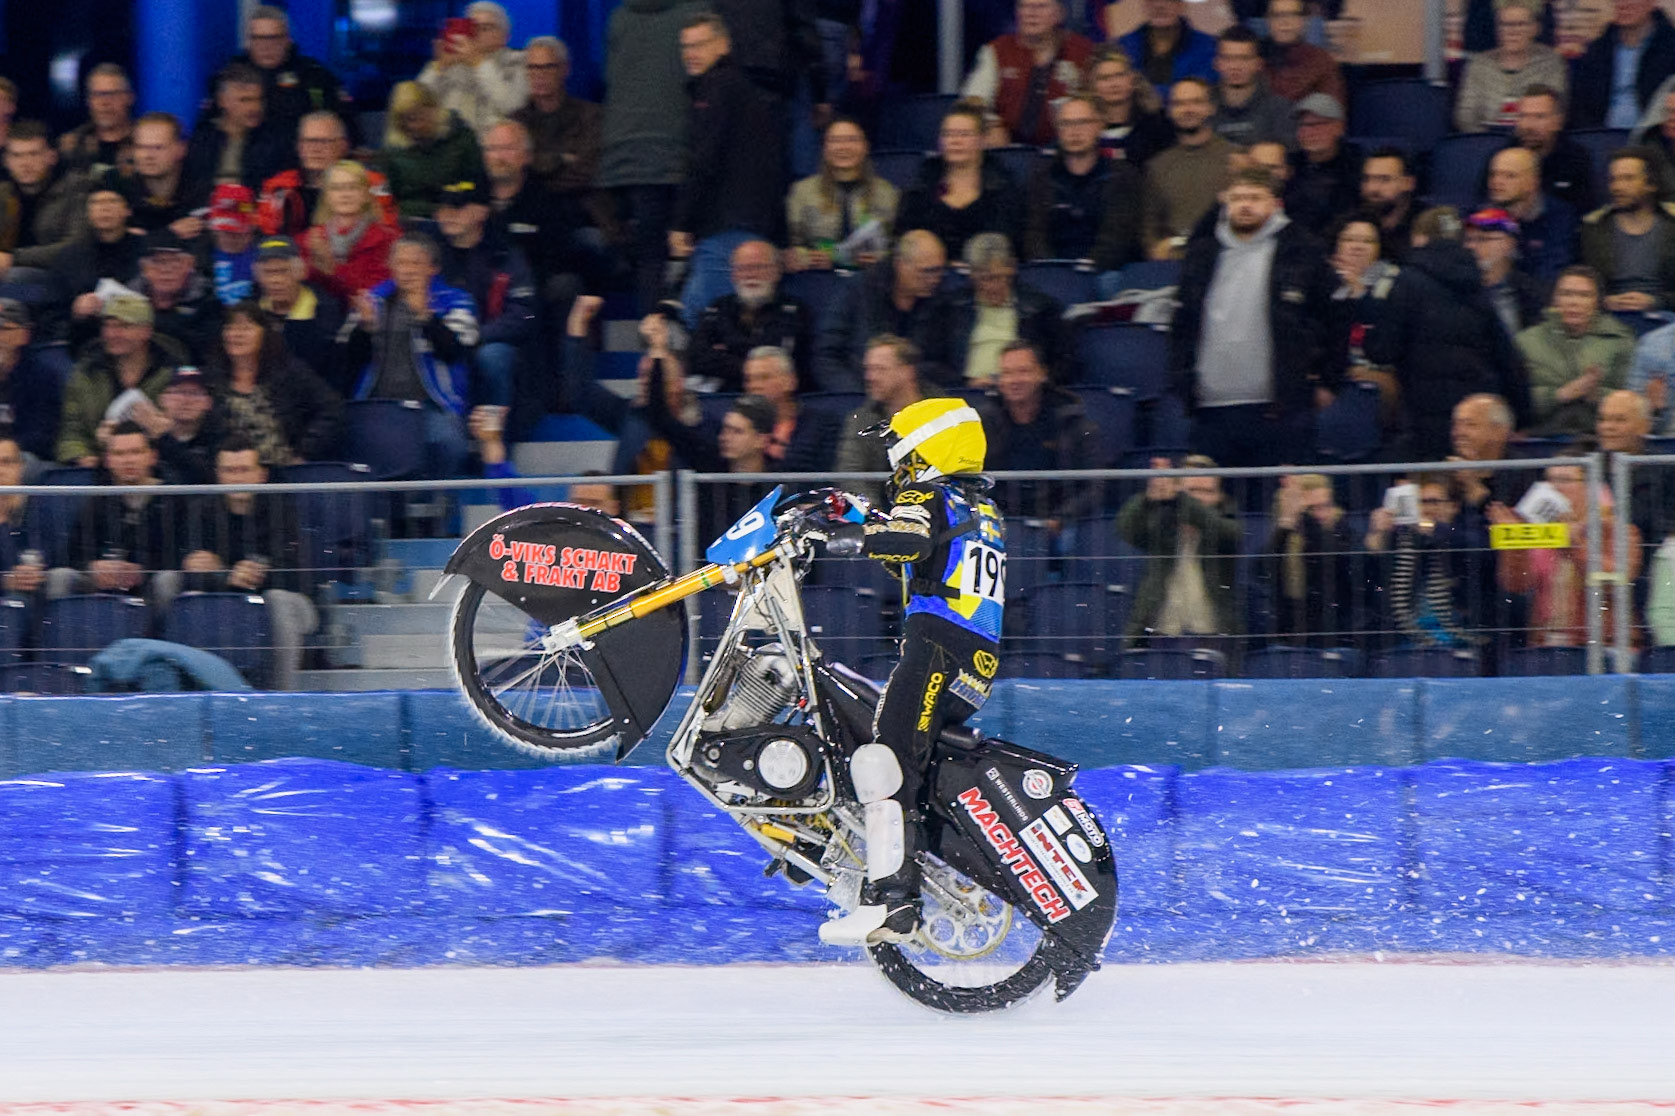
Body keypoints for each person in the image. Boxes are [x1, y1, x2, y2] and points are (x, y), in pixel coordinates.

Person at [817, 396, 1001, 946]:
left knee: (884, 762)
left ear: (925, 450)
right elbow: (927, 546)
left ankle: (893, 901)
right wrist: (860, 516)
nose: (894, 466)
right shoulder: (979, 507)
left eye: (899, 451)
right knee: (909, 769)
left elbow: (909, 539)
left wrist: (847, 538)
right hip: (973, 664)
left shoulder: (924, 493)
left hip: (934, 652)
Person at [1171, 165, 1341, 468]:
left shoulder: (1303, 250)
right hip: (1211, 410)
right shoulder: (1201, 254)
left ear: (1275, 203)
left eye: (1254, 197)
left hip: (1281, 409)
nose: (1245, 205)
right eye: (1237, 198)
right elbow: (1182, 324)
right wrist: (1183, 382)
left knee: (1278, 496)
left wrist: (1329, 379)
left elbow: (1337, 316)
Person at [1366, 208, 1532, 460]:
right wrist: (1523, 415)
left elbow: (1381, 350)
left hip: (1423, 415)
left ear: (1420, 239)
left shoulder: (1407, 282)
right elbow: (1507, 357)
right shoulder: (1477, 285)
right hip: (1474, 418)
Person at [670, 11, 788, 328]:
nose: (691, 54)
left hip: (726, 226)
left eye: (699, 45)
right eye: (685, 47)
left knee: (706, 319)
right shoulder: (742, 89)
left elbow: (703, 160)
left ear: (723, 45)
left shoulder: (717, 87)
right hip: (749, 221)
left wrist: (681, 222)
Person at [176, 435, 319, 690]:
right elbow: (191, 569)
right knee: (175, 586)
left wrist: (251, 575)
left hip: (288, 605)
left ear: (261, 475)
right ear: (218, 474)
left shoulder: (282, 509)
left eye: (244, 470)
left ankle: (280, 697)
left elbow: (296, 576)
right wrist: (228, 575)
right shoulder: (201, 510)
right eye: (229, 471)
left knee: (278, 599)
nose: (236, 478)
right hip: (229, 607)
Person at [597, 0, 707, 315]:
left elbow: (609, 76)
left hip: (627, 154)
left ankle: (652, 335)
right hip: (678, 148)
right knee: (693, 250)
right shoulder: (698, 12)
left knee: (649, 258)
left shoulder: (618, 16)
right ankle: (689, 334)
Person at [338, 234, 479, 479]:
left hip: (432, 406)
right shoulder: (372, 300)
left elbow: (457, 352)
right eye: (401, 263)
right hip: (377, 406)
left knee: (450, 444)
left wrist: (426, 317)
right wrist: (365, 329)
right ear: (391, 266)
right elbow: (346, 359)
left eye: (416, 263)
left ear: (433, 268)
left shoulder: (455, 301)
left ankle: (438, 501)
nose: (408, 270)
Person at [1489, 462, 1641, 647]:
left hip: (1603, 645)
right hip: (1548, 644)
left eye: (1564, 480)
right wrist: (1515, 544)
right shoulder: (1541, 529)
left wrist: (1573, 545)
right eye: (1549, 480)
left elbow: (1612, 581)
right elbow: (1516, 585)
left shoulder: (1616, 530)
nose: (1554, 487)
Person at [50, 421, 183, 611]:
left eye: (136, 452)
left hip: (150, 583)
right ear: (108, 460)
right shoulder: (98, 499)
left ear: (152, 457)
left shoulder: (173, 497)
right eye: (119, 454)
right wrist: (93, 567)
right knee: (60, 576)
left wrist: (143, 570)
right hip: (102, 585)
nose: (128, 460)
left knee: (167, 579)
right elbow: (71, 553)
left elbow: (182, 554)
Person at [1116, 453, 1242, 650]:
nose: (1198, 498)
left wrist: (1183, 502)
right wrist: (1148, 500)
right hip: (1160, 635)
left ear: (1220, 497)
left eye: (1207, 491)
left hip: (1212, 637)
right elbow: (1126, 530)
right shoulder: (1162, 522)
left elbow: (1227, 533)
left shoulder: (1227, 525)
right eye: (1191, 491)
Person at [434, 179, 536, 411]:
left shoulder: (505, 255)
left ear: (482, 212)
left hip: (488, 341)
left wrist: (479, 334)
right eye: (443, 208)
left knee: (493, 356)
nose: (448, 215)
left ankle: (496, 428)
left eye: (458, 207)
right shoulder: (428, 254)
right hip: (437, 338)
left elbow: (525, 315)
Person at [207, 301, 345, 467]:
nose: (236, 334)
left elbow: (331, 408)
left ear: (265, 335)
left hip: (283, 470)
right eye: (230, 328)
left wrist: (304, 452)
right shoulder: (210, 380)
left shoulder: (289, 372)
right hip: (228, 472)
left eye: (245, 328)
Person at [922, 232, 1065, 387]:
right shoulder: (949, 308)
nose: (991, 286)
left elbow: (1062, 362)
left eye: (997, 277)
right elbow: (929, 364)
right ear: (972, 276)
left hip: (1023, 390)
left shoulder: (1040, 308)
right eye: (983, 279)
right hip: (968, 391)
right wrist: (966, 382)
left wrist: (1030, 379)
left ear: (1011, 268)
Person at [976, 339, 1098, 520]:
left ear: (1042, 374)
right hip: (998, 520)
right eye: (1007, 373)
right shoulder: (983, 422)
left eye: (1023, 371)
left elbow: (1094, 486)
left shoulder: (1071, 420)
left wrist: (1060, 518)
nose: (1014, 380)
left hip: (1059, 521)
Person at [57, 294, 183, 469]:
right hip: (98, 468)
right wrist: (83, 457)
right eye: (108, 325)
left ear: (146, 331)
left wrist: (161, 433)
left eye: (124, 326)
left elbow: (186, 436)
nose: (112, 334)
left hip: (159, 468)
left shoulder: (174, 376)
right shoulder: (86, 373)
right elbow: (72, 430)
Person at [815, 229, 948, 392]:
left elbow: (945, 366)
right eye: (927, 271)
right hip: (859, 394)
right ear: (900, 264)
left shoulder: (941, 300)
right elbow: (826, 356)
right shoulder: (858, 291)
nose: (935, 279)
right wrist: (856, 396)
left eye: (940, 271)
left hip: (919, 398)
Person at [1363, 472, 1482, 653]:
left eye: (1433, 501)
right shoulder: (1400, 540)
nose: (1426, 509)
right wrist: (1375, 539)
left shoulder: (1467, 532)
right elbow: (1369, 587)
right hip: (1406, 643)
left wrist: (1433, 529)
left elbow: (1472, 546)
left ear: (1453, 506)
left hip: (1462, 642)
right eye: (1420, 502)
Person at [894, 100, 1024, 262]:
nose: (955, 141)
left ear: (982, 139)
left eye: (964, 134)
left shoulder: (1002, 184)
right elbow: (904, 238)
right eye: (948, 134)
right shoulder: (921, 184)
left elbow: (1011, 243)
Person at [1025, 95, 1144, 271]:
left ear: (1099, 126)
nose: (1074, 131)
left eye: (1083, 122)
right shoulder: (1041, 178)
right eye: (1066, 124)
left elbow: (1117, 239)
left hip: (1103, 272)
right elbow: (1034, 234)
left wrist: (1085, 269)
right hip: (1051, 271)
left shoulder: (1122, 176)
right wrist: (1051, 270)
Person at [1515, 265, 1635, 436]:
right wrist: (1560, 394)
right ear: (1555, 300)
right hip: (1541, 434)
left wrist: (1597, 395)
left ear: (1597, 302)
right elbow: (1516, 399)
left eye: (1584, 295)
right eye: (1566, 294)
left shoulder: (1619, 340)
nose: (1573, 302)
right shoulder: (1527, 341)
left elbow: (1631, 399)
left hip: (1600, 436)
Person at [960, 0, 1095, 147]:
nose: (1030, 13)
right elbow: (972, 103)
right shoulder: (997, 51)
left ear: (1059, 14)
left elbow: (1099, 106)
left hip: (1067, 149)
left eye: (1041, 6)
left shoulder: (1083, 52)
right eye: (1024, 6)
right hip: (1007, 151)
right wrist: (991, 124)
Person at [689, 239, 814, 393]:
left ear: (776, 271)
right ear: (733, 275)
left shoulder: (794, 311)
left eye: (758, 267)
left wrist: (725, 355)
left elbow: (788, 361)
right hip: (724, 396)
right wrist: (758, 367)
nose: (750, 274)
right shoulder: (717, 308)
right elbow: (696, 357)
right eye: (742, 268)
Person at [785, 117, 899, 271]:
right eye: (835, 140)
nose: (843, 147)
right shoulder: (801, 192)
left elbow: (899, 247)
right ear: (824, 149)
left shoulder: (888, 193)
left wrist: (882, 259)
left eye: (852, 140)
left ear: (866, 147)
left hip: (873, 276)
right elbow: (791, 246)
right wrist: (806, 257)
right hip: (818, 276)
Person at [257, 112, 396, 238]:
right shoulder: (277, 186)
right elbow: (266, 234)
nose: (315, 149)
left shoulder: (371, 183)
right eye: (308, 141)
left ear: (343, 146)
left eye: (324, 142)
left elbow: (389, 231)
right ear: (299, 147)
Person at [224, 6, 352, 142]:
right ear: (249, 41)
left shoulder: (312, 75)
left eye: (273, 38)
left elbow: (344, 123)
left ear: (287, 40)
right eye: (258, 38)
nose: (266, 46)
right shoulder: (231, 77)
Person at [1139, 78, 1234, 258]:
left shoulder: (1236, 158)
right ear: (1169, 111)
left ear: (1211, 107)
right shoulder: (1157, 166)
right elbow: (1149, 227)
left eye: (1196, 102)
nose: (1188, 109)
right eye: (1179, 104)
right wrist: (1155, 250)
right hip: (1172, 261)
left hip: (1224, 257)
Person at [832, 334, 930, 501]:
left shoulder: (944, 415)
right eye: (868, 369)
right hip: (879, 512)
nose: (870, 377)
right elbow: (850, 474)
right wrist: (874, 512)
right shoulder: (861, 419)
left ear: (907, 371)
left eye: (880, 369)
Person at [1579, 147, 1675, 314]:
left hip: (1667, 317)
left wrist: (1657, 301)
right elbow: (1580, 283)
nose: (1617, 187)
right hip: (1609, 317)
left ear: (1651, 184)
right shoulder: (1594, 227)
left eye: (1628, 179)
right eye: (1613, 180)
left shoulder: (1671, 225)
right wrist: (1602, 301)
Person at [1263, 472, 1354, 647]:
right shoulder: (1282, 540)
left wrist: (1304, 519)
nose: (1321, 515)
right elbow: (1267, 573)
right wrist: (1286, 525)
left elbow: (1334, 560)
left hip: (1338, 638)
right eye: (1311, 509)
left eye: (1326, 506)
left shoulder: (1343, 533)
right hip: (1292, 639)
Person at [46, 185, 145, 343]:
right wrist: (75, 310)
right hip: (86, 338)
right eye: (96, 203)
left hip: (139, 333)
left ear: (127, 210)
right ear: (88, 213)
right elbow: (51, 311)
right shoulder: (69, 256)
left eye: (112, 201)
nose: (104, 208)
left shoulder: (145, 250)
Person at [510, 37, 603, 201]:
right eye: (533, 67)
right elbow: (512, 170)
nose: (539, 74)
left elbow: (586, 171)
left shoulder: (591, 116)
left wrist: (535, 165)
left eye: (548, 67)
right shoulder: (516, 121)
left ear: (565, 69)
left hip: (581, 205)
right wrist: (561, 159)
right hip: (529, 206)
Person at [1329, 211, 1401, 421]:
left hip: (1377, 377)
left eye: (1367, 241)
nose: (1357, 247)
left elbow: (1386, 333)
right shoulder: (1321, 280)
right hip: (1332, 374)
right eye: (1350, 239)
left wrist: (1359, 290)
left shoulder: (1397, 283)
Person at [1454, 0, 1567, 133]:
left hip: (1534, 139)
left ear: (1535, 28)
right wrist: (1488, 139)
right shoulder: (1480, 64)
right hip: (1486, 140)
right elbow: (1465, 117)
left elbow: (1553, 112)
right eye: (1505, 24)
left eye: (1520, 24)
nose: (1512, 31)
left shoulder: (1551, 63)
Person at [417, 0, 529, 134]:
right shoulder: (453, 62)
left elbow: (512, 108)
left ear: (504, 37)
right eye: (472, 26)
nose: (476, 33)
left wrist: (479, 63)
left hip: (495, 143)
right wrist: (439, 67)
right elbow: (416, 103)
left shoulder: (518, 62)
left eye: (485, 28)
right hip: (452, 142)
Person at [382, 82, 488, 222]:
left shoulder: (461, 137)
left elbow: (477, 183)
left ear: (433, 109)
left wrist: (457, 203)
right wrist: (432, 211)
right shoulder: (393, 151)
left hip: (461, 215)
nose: (415, 125)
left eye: (420, 116)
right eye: (408, 119)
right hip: (414, 220)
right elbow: (393, 199)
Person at [253, 235, 344, 393]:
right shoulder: (250, 312)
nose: (276, 280)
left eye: (283, 271)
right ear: (258, 276)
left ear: (300, 272)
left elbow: (335, 376)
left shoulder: (326, 314)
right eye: (268, 272)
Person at [181, 63, 293, 191]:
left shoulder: (275, 141)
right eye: (244, 100)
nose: (254, 107)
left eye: (259, 99)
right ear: (222, 101)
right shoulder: (202, 140)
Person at [0, 121, 89, 278]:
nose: (25, 163)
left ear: (52, 157)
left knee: (15, 277)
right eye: (16, 155)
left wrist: (14, 258)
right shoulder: (3, 193)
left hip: (60, 280)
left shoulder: (76, 188)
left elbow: (75, 247)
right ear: (6, 161)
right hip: (9, 277)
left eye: (33, 154)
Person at [303, 160, 400, 304]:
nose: (345, 194)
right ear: (326, 196)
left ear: (366, 194)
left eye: (353, 187)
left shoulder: (388, 240)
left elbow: (373, 294)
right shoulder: (309, 240)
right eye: (337, 188)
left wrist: (331, 269)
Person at [1569, 0, 1675, 130]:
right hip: (1599, 135)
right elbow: (1579, 106)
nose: (1624, 4)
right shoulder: (1597, 51)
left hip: (1655, 136)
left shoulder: (1670, 48)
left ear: (1653, 2)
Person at [1485, 144, 1577, 283]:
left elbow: (1551, 274)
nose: (1497, 182)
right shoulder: (1482, 216)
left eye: (1510, 176)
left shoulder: (1560, 218)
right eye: (1493, 174)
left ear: (1533, 182)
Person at [131, 228, 224, 364]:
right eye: (157, 261)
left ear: (190, 265)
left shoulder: (209, 301)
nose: (166, 269)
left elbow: (206, 349)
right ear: (144, 268)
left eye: (175, 261)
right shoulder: (127, 301)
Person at [740, 344, 840, 470]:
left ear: (790, 381)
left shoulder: (822, 425)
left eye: (764, 377)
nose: (754, 386)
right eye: (749, 379)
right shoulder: (737, 427)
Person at [117, 113, 209, 238]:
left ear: (181, 149)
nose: (148, 156)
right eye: (141, 147)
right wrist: (170, 233)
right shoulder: (119, 189)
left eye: (158, 148)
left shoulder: (202, 192)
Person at [1511, 85, 1596, 216]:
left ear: (1558, 122)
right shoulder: (1502, 157)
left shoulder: (1576, 159)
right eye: (1523, 116)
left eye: (1539, 117)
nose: (1529, 126)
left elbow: (1585, 212)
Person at [1285, 92, 1360, 233]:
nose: (1307, 132)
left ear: (1339, 127)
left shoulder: (1356, 165)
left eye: (1316, 125)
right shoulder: (1289, 165)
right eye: (1302, 125)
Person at [0, 300, 63, 468]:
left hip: (23, 455)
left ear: (24, 334)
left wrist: (7, 450)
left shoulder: (42, 377)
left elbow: (43, 434)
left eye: (4, 329)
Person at [1466, 207, 1545, 339]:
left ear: (1509, 244)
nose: (1472, 246)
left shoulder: (1532, 293)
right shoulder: (1459, 291)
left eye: (1483, 239)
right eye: (1469, 240)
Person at [1209, 25, 1294, 148]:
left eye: (1244, 59)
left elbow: (1290, 154)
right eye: (1228, 58)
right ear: (1217, 63)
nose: (1236, 66)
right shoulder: (1202, 107)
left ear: (1259, 64)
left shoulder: (1280, 109)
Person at [1086, 45, 1172, 167]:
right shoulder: (1087, 129)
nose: (1113, 84)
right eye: (1105, 78)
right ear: (1093, 86)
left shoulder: (1157, 125)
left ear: (1132, 79)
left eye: (1119, 75)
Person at [135, 365, 221, 485]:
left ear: (208, 402)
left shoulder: (218, 440)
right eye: (178, 392)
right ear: (163, 399)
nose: (186, 400)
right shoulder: (145, 440)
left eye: (195, 393)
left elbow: (204, 479)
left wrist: (165, 438)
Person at [1118, 0, 1217, 96]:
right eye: (1153, 0)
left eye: (1169, 0)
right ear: (1144, 4)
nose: (1160, 5)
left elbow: (1201, 90)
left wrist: (1144, 91)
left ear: (1182, 5)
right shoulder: (1122, 47)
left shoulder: (1208, 47)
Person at [1261, 0, 1345, 106]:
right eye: (1277, 15)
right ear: (1268, 20)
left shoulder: (1321, 61)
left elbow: (1332, 109)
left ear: (1305, 20)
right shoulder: (1253, 58)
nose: (1284, 22)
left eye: (1293, 15)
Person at [59, 63, 135, 178]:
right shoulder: (70, 146)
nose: (104, 102)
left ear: (129, 97)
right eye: (97, 95)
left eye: (112, 94)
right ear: (88, 100)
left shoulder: (145, 144)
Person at [0, 430, 51, 599]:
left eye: (6, 462)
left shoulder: (39, 507)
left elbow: (52, 556)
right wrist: (5, 581)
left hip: (38, 594)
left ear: (21, 466)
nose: (0, 471)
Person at [1358, 146, 1418, 262]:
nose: (1372, 188)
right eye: (1367, 179)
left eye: (1384, 179)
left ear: (1408, 183)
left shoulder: (1427, 222)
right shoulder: (1353, 221)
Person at [208, 184, 259, 306]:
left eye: (236, 233)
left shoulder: (264, 257)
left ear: (252, 227)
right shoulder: (202, 254)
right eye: (224, 231)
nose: (229, 238)